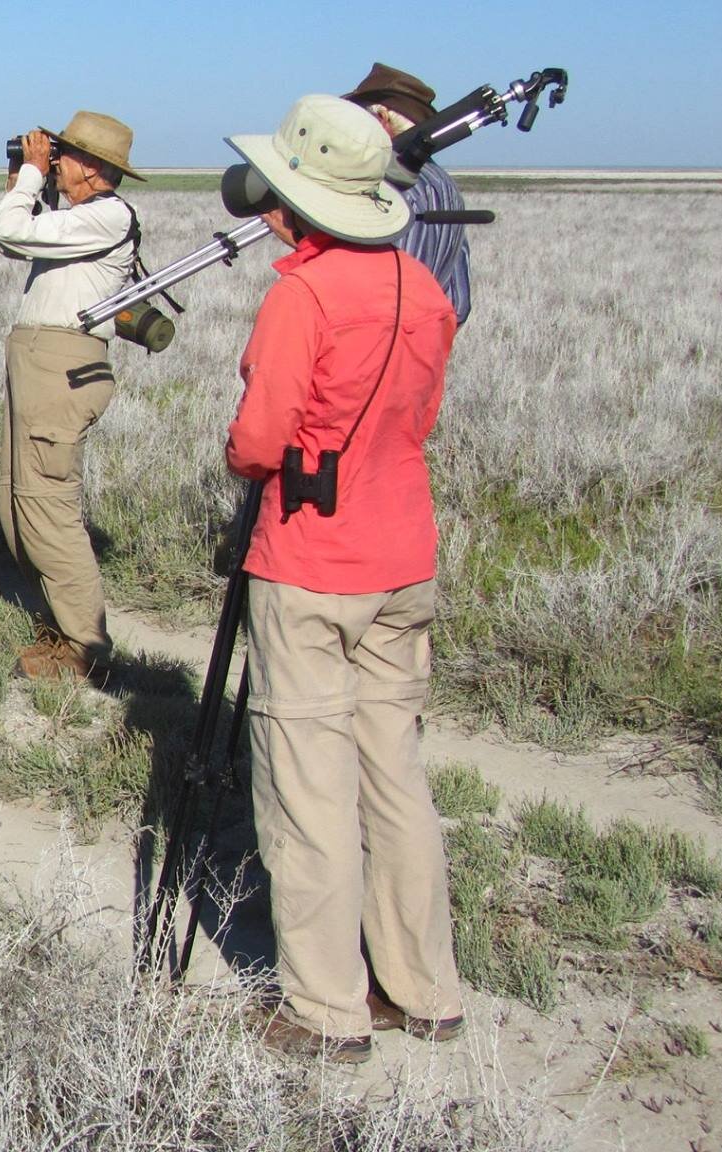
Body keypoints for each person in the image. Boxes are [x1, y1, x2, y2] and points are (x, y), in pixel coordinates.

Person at [222, 95, 464, 1062]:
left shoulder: (304, 294)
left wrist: (255, 461)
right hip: (403, 551)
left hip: (312, 563)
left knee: (308, 783)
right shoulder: (423, 287)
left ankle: (325, 1007)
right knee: (395, 776)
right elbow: (424, 416)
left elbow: (258, 439)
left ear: (296, 200)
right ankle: (424, 987)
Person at [0, 111, 147, 682]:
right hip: (38, 361)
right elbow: (11, 239)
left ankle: (84, 646)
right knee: (18, 505)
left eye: (63, 156)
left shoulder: (108, 215)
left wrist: (31, 176)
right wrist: (22, 177)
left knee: (48, 506)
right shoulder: (78, 219)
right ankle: (57, 635)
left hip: (61, 366)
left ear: (94, 167)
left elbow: (11, 230)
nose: (54, 163)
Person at [343, 63, 473, 324]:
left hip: (375, 349)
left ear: (382, 121)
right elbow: (459, 303)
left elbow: (383, 301)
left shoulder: (388, 189)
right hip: (425, 354)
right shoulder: (447, 186)